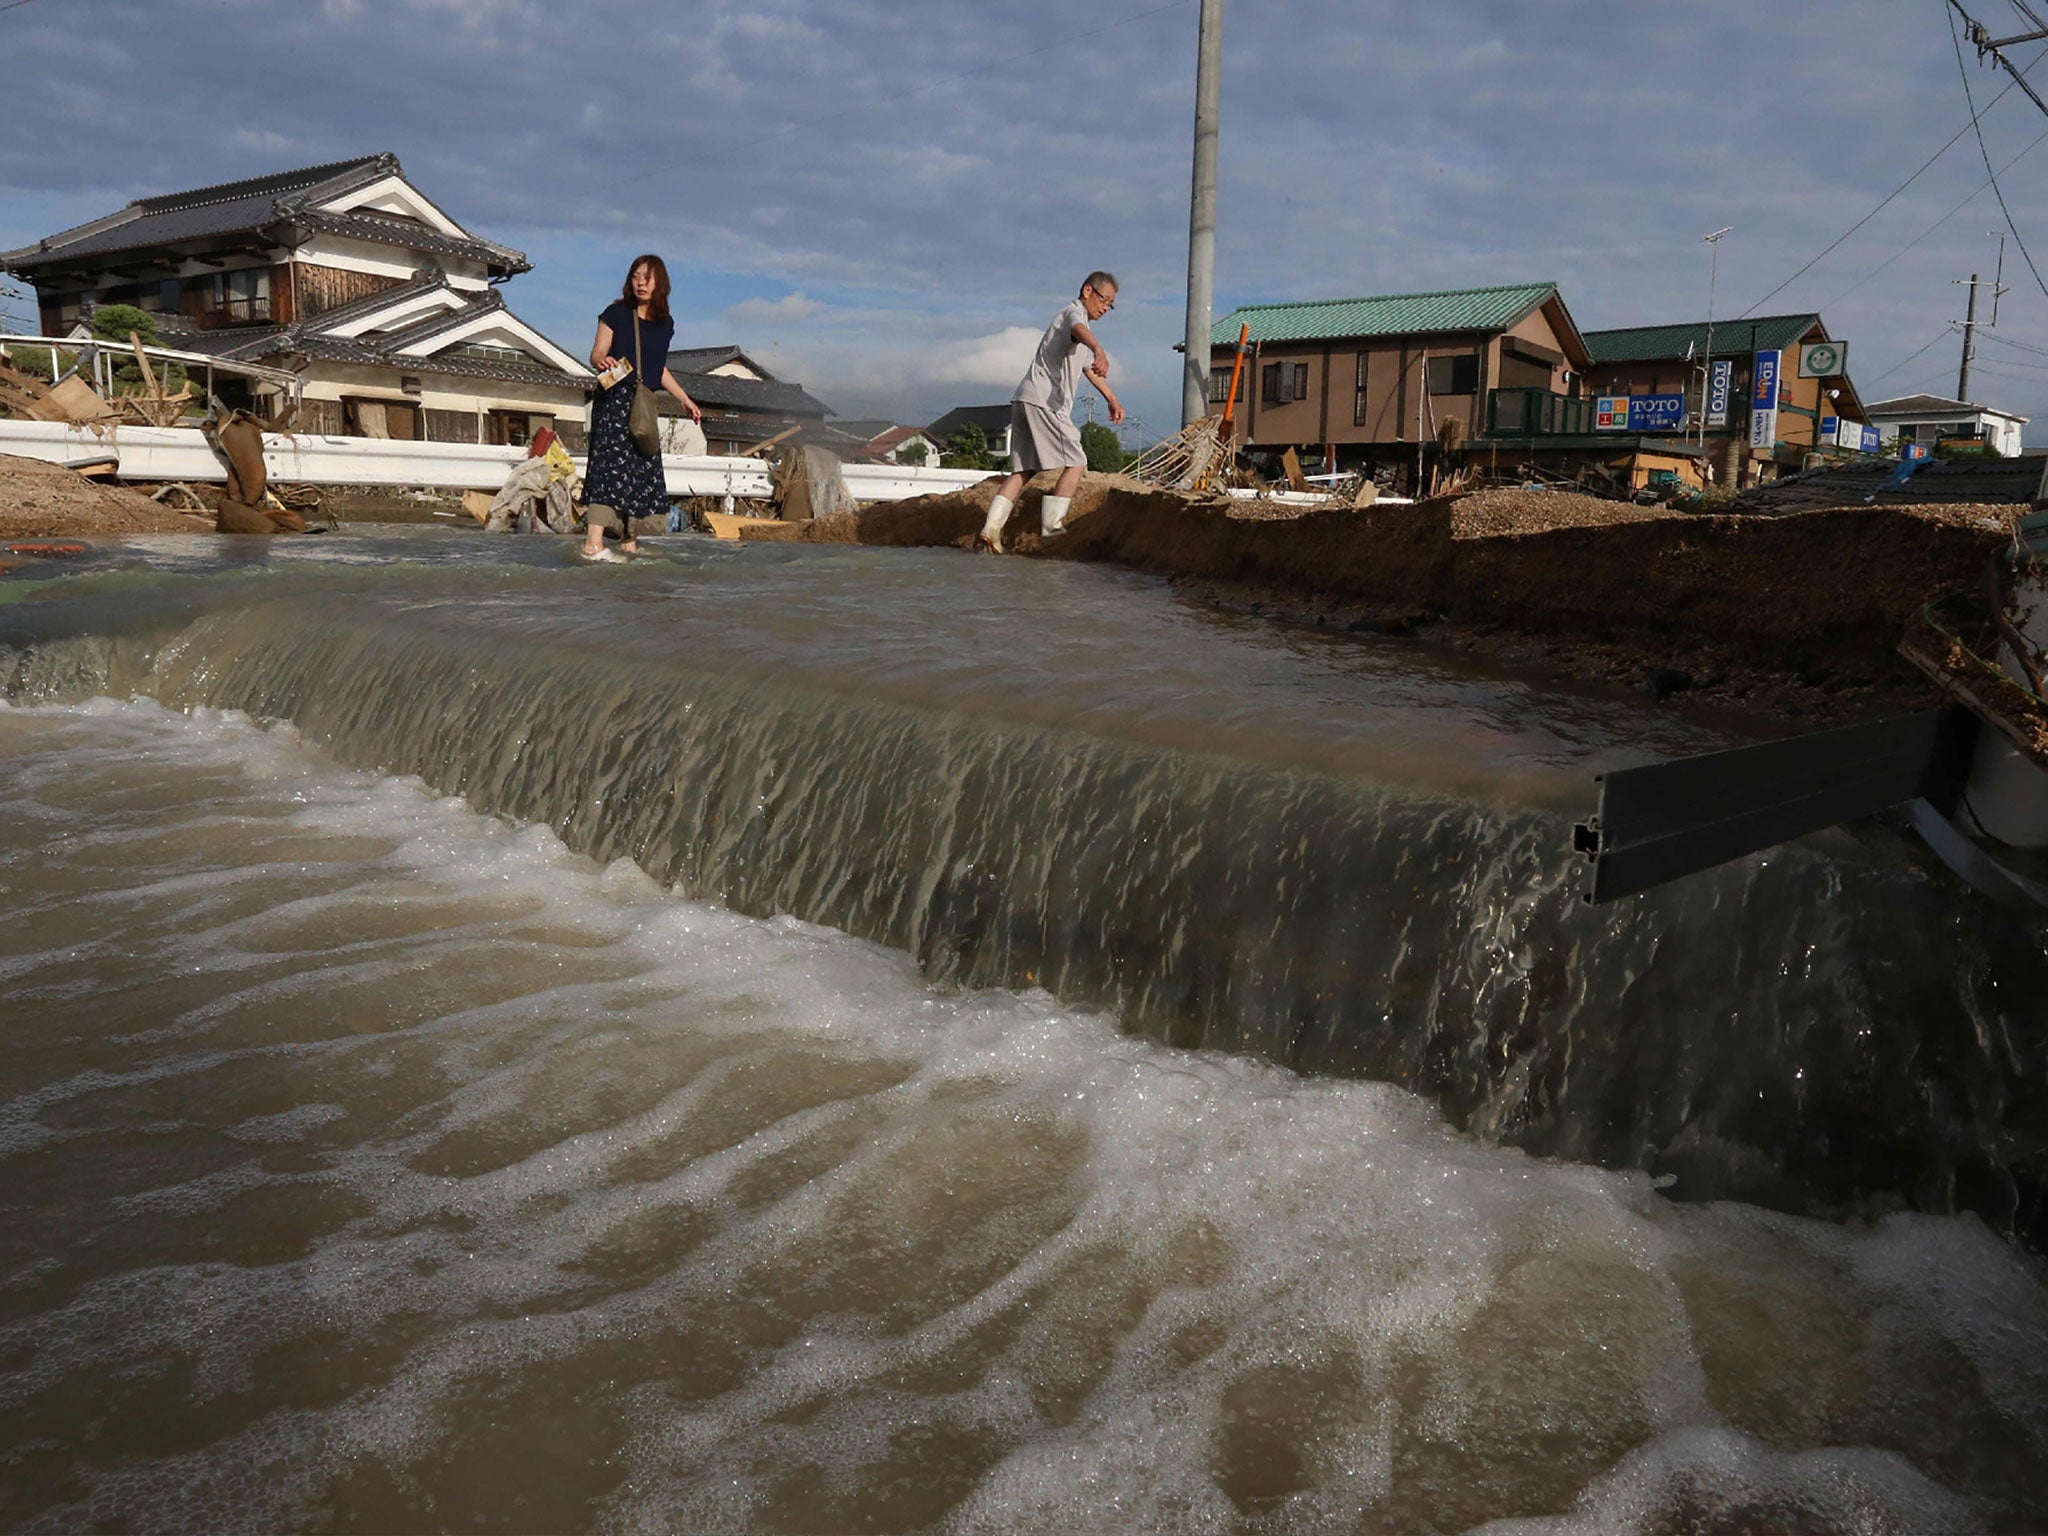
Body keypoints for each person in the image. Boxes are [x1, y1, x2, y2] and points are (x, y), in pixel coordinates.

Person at [977, 272, 1123, 554]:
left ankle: (990, 531)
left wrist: (1112, 399)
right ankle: (1053, 530)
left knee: (1024, 470)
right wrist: (1098, 348)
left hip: (1025, 399)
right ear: (1087, 291)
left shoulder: (1077, 335)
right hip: (1045, 402)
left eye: (1111, 305)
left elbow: (1090, 372)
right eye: (1104, 300)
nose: (1105, 308)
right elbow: (1079, 327)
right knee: (1077, 461)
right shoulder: (1072, 314)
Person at [580, 254, 702, 562]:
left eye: (647, 277)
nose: (641, 282)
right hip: (613, 400)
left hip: (643, 403)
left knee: (639, 471)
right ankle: (593, 543)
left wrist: (684, 399)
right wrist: (602, 361)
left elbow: (657, 369)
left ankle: (629, 542)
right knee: (608, 468)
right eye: (636, 276)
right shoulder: (617, 312)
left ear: (660, 282)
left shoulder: (665, 324)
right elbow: (596, 353)